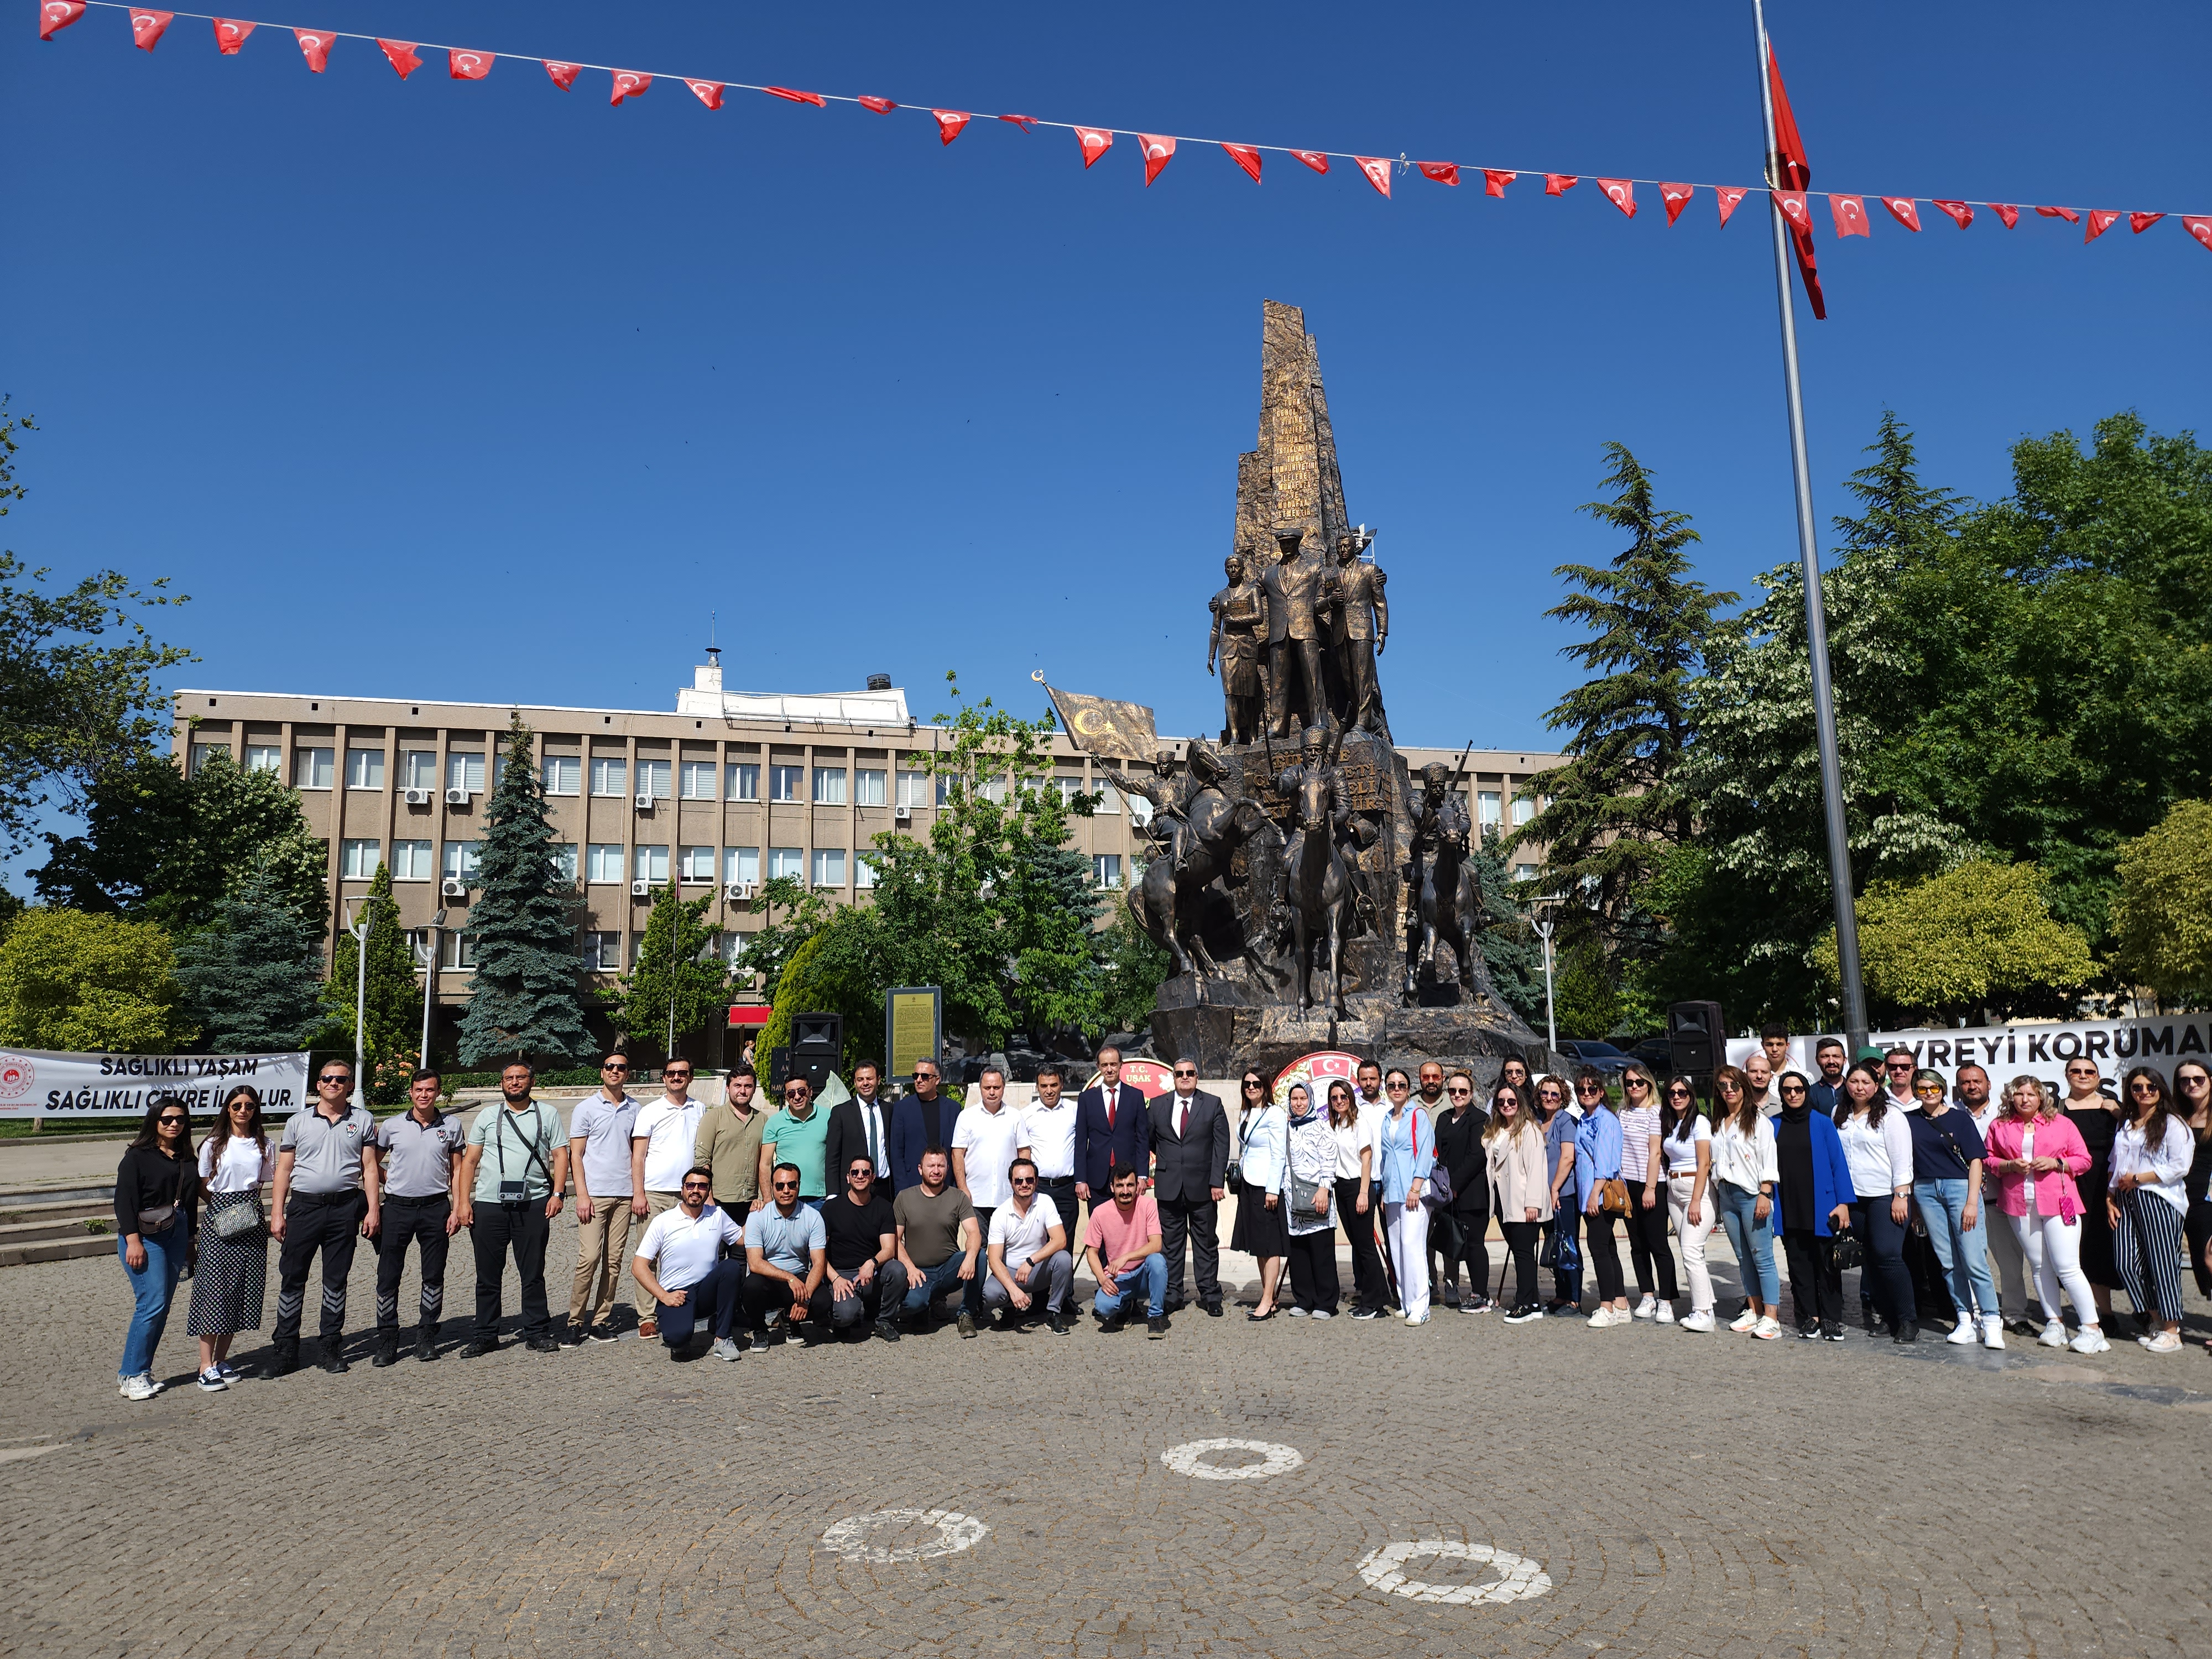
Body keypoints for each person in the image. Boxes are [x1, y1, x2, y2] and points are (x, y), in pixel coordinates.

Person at [263, 1058, 380, 1378]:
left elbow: (370, 1169)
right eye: (328, 1079)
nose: (334, 1084)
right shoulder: (298, 1121)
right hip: (304, 1208)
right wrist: (277, 1213)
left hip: (344, 1210)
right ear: (318, 1084)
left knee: (336, 1280)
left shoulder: (364, 1120)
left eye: (341, 1080)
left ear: (350, 1086)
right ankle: (286, 1349)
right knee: (292, 1278)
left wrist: (373, 1209)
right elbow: (283, 1171)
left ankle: (330, 1345)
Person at [1984, 1074, 2104, 1353]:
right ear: (2011, 1097)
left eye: (2031, 1094)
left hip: (2059, 1202)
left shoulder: (2061, 1123)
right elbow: (1989, 1158)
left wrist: (2057, 1162)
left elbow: (2084, 1159)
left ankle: (2092, 1328)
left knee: (2068, 1266)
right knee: (2038, 1267)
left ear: (2041, 1097)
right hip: (2019, 1203)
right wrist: (2008, 1165)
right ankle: (2055, 1323)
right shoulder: (1999, 1126)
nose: (2025, 1099)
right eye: (2019, 1094)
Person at [458, 1062, 569, 1357]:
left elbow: (560, 1155)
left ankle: (536, 1332)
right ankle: (485, 1334)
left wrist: (558, 1193)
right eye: (509, 1078)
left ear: (532, 1081)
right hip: (489, 1205)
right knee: (487, 1274)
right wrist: (462, 1202)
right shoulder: (487, 1115)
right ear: (502, 1083)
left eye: (521, 1077)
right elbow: (469, 1162)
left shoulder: (547, 1114)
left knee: (532, 1272)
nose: (515, 1082)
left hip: (533, 1203)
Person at [372, 1067, 465, 1365]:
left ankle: (427, 1335)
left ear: (438, 1093)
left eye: (430, 1090)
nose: (424, 1095)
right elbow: (371, 1165)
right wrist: (394, 1179)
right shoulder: (392, 1125)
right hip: (397, 1208)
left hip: (436, 1208)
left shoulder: (451, 1126)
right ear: (411, 1092)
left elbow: (458, 1171)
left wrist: (458, 1207)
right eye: (419, 1090)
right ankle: (388, 1339)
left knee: (433, 1275)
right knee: (388, 1275)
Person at [1906, 1068, 2004, 1348]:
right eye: (1922, 1089)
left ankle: (1991, 1319)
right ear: (1915, 1091)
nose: (1928, 1094)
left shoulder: (1959, 1119)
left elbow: (1976, 1161)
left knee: (1974, 1259)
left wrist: (1972, 1202)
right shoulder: (1908, 1120)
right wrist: (1913, 1205)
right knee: (1948, 1261)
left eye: (1933, 1088)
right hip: (1925, 1189)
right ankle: (1964, 1318)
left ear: (1943, 1090)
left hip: (1959, 1188)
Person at [189, 1086, 276, 1391]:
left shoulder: (266, 1144)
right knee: (214, 1290)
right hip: (219, 1216)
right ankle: (204, 1365)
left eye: (250, 1105)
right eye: (237, 1105)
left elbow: (264, 1183)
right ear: (227, 1108)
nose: (243, 1111)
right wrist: (222, 1210)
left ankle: (222, 1360)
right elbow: (203, 1185)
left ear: (256, 1110)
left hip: (250, 1216)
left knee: (240, 1289)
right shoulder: (213, 1144)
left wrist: (246, 1210)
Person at [114, 1097, 197, 1400]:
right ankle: (130, 1374)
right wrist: (133, 1240)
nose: (174, 1123)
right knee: (151, 1303)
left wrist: (190, 1241)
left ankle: (142, 1370)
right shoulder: (137, 1157)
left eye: (180, 1118)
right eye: (167, 1119)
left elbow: (188, 1202)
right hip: (144, 1235)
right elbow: (124, 1202)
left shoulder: (187, 1156)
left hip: (176, 1233)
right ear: (154, 1122)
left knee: (161, 1307)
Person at [1835, 1060, 1918, 1343]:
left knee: (1888, 1255)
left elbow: (1902, 1160)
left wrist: (1901, 1195)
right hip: (1854, 1198)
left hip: (1885, 1196)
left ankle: (1908, 1319)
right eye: (1854, 1082)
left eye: (1866, 1082)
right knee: (1870, 1259)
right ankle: (1887, 1316)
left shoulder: (1891, 1116)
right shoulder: (1839, 1113)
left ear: (1877, 1085)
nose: (1859, 1087)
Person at [2110, 1067, 2191, 1355]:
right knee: (2126, 1263)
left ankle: (2172, 1331)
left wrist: (2139, 1179)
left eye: (2150, 1087)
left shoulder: (2172, 1123)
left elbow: (2180, 1165)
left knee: (2163, 1264)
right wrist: (2111, 1195)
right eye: (2137, 1088)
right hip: (2126, 1199)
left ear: (2160, 1090)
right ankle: (2155, 1321)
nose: (2144, 1092)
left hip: (2159, 1198)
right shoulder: (2127, 1122)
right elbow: (2115, 1161)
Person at [1771, 1071, 1855, 1342]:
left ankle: (1831, 1319)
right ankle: (1811, 1317)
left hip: (1823, 1207)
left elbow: (1838, 1163)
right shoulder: (1772, 1125)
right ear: (1781, 1094)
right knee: (1798, 1265)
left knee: (1827, 1265)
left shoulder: (1821, 1123)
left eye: (1798, 1089)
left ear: (1806, 1091)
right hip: (1789, 1205)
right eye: (1787, 1090)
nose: (1793, 1094)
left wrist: (1843, 1203)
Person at [565, 1054, 642, 1344]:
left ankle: (600, 1321)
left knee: (614, 1262)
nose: (615, 1071)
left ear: (627, 1074)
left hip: (624, 1195)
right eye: (610, 1067)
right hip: (594, 1195)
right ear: (602, 1073)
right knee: (589, 1259)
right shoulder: (586, 1108)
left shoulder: (635, 1109)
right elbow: (576, 1155)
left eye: (621, 1067)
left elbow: (638, 1154)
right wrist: (581, 1195)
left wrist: (638, 1193)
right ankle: (574, 1321)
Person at [631, 1165, 744, 1361]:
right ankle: (681, 1335)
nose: (696, 1190)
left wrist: (761, 1211)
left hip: (706, 1291)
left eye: (702, 1186)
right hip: (677, 1294)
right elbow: (638, 1266)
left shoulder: (717, 1215)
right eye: (691, 1185)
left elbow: (742, 1239)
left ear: (709, 1191)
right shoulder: (663, 1221)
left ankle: (722, 1338)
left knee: (731, 1267)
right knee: (677, 1340)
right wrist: (664, 1296)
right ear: (683, 1189)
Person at [630, 1057, 706, 1338]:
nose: (677, 1077)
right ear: (664, 1078)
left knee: (682, 1254)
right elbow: (638, 1156)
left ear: (690, 1077)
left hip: (690, 1193)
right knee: (648, 1256)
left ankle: (682, 1306)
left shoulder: (700, 1109)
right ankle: (646, 1316)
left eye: (682, 1073)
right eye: (671, 1073)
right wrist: (639, 1193)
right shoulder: (650, 1111)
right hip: (655, 1191)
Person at [1147, 1059, 1229, 1316]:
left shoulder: (1212, 1104)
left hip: (1203, 1187)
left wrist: (1217, 1181)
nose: (1185, 1077)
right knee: (1171, 1244)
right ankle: (1173, 1294)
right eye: (1180, 1073)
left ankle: (1210, 1294)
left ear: (1197, 1076)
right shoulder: (1159, 1105)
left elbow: (1221, 1145)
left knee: (1205, 1242)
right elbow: (1151, 1140)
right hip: (1169, 1185)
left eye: (1190, 1073)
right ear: (1173, 1077)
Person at [1959, 1062, 2033, 1332]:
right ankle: (1977, 1314)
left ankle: (2015, 1315)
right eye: (1966, 1082)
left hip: (1999, 1200)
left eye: (1977, 1081)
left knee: (2011, 1264)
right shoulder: (1952, 1115)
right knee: (1970, 1262)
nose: (1972, 1086)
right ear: (1959, 1087)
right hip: (1965, 1202)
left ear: (1989, 1085)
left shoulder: (2006, 1119)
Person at [1710, 1065, 1782, 1338]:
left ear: (1744, 1088)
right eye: (1723, 1087)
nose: (1729, 1091)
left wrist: (1765, 1193)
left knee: (1762, 1257)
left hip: (1752, 1194)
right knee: (1743, 1258)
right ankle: (1754, 1310)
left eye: (1734, 1086)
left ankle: (1772, 1316)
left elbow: (1768, 1159)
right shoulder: (1718, 1121)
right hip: (1726, 1193)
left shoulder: (1758, 1120)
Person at [2061, 1058, 2127, 1334]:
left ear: (2099, 1078)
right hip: (2073, 1185)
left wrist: (2121, 1114)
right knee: (2084, 1248)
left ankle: (2146, 1310)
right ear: (2067, 1076)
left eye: (2090, 1072)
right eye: (2076, 1071)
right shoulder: (2057, 1109)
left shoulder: (2113, 1107)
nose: (2083, 1075)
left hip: (2109, 1184)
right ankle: (2103, 1313)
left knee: (2118, 1246)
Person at [814, 1155, 906, 1339]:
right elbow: (818, 1252)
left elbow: (889, 1249)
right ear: (848, 1177)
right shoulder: (831, 1208)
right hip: (841, 1274)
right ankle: (843, 1318)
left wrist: (872, 1263)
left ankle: (883, 1322)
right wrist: (835, 1278)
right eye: (855, 1172)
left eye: (866, 1172)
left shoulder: (884, 1207)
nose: (860, 1176)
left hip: (870, 1273)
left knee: (897, 1270)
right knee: (845, 1315)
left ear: (873, 1177)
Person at [893, 1147, 982, 1334]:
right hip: (918, 1272)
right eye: (931, 1165)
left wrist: (970, 1257)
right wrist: (909, 1267)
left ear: (947, 1169)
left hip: (948, 1268)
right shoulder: (904, 1198)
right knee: (912, 1305)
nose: (936, 1170)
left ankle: (966, 1314)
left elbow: (974, 1232)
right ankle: (924, 1305)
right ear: (920, 1169)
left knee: (979, 1256)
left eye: (940, 1165)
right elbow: (895, 1239)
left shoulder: (958, 1197)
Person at [981, 1158, 1074, 1332]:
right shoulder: (1000, 1214)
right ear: (1011, 1183)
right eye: (1019, 1180)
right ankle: (1010, 1307)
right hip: (1010, 1272)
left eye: (1030, 1180)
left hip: (1037, 1270)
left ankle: (1053, 1313)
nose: (1024, 1184)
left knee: (1064, 1259)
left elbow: (1061, 1240)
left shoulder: (1045, 1202)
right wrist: (1013, 1290)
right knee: (990, 1294)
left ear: (1037, 1182)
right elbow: (994, 1260)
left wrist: (1031, 1261)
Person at [742, 1161, 829, 1345]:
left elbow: (819, 1263)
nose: (786, 1190)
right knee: (751, 1287)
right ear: (773, 1188)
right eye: (780, 1186)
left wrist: (805, 1299)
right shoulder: (757, 1217)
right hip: (768, 1279)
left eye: (792, 1185)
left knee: (823, 1301)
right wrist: (789, 1278)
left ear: (799, 1186)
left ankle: (791, 1319)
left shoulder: (813, 1217)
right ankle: (759, 1329)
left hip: (798, 1278)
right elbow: (755, 1264)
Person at [1486, 1083, 1552, 1323]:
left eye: (1511, 1101)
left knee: (1523, 1254)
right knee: (1519, 1252)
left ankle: (1524, 1303)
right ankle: (1533, 1301)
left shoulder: (1530, 1131)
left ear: (1520, 1104)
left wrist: (1533, 1203)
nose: (1506, 1105)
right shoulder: (1497, 1129)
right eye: (1501, 1101)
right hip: (1504, 1201)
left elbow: (1537, 1170)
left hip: (1523, 1200)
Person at [1616, 1063, 1676, 1322]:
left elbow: (1655, 1151)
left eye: (1640, 1082)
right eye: (1630, 1083)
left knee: (1658, 1243)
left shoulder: (1656, 1112)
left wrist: (1650, 1188)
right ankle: (1648, 1295)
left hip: (1652, 1182)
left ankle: (1667, 1300)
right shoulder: (1622, 1112)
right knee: (1637, 1244)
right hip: (1628, 1182)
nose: (1635, 1087)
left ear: (1649, 1084)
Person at [1571, 1072, 1631, 1328]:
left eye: (1592, 1088)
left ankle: (1606, 1304)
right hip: (1588, 1191)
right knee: (1607, 1247)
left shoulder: (1606, 1120)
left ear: (1601, 1091)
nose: (1587, 1093)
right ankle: (1620, 1302)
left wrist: (1594, 1194)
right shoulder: (1585, 1119)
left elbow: (1606, 1162)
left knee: (1598, 1247)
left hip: (1600, 1191)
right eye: (1581, 1090)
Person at [1378, 1068, 1436, 1324]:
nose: (1397, 1088)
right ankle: (1406, 1301)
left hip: (1414, 1191)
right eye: (1392, 1085)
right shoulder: (1386, 1118)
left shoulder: (1418, 1116)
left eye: (1401, 1084)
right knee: (1398, 1249)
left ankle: (1421, 1305)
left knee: (1413, 1247)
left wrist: (1416, 1186)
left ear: (1409, 1087)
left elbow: (1426, 1152)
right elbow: (1385, 1158)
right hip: (1392, 1192)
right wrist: (1383, 1190)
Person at [1659, 1074, 1716, 1332]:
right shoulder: (1671, 1123)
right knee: (1691, 1252)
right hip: (1674, 1189)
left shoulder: (1700, 1122)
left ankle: (1701, 1312)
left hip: (1697, 1191)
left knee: (1692, 1250)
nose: (1677, 1097)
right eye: (1672, 1093)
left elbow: (1704, 1162)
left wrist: (1695, 1200)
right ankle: (1707, 1308)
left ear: (1691, 1095)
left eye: (1682, 1093)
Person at [1326, 1078, 1386, 1319]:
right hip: (1341, 1188)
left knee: (1366, 1247)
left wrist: (1364, 1192)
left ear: (1350, 1098)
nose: (1339, 1101)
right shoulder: (1336, 1123)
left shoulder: (1359, 1122)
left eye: (1343, 1097)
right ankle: (1377, 1296)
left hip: (1358, 1187)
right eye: (1334, 1098)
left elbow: (1367, 1159)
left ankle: (1374, 1304)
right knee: (1359, 1246)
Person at [1083, 1166, 1169, 1336]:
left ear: (1137, 1186)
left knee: (1157, 1261)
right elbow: (1091, 1252)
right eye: (1120, 1186)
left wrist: (1126, 1257)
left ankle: (1155, 1317)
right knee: (1104, 1308)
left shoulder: (1148, 1205)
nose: (1125, 1191)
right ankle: (1124, 1305)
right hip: (1118, 1277)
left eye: (1130, 1185)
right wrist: (1102, 1279)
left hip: (1144, 1274)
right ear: (1112, 1187)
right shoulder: (1100, 1213)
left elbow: (1156, 1244)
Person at [1230, 1072, 1289, 1319]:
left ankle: (1267, 1300)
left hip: (1266, 1185)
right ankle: (1269, 1295)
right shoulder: (1245, 1113)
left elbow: (1279, 1153)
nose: (1252, 1088)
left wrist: (1272, 1188)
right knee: (1257, 1244)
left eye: (1257, 1084)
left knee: (1269, 1243)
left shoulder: (1274, 1114)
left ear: (1266, 1087)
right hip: (1248, 1183)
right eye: (1247, 1084)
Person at [1434, 1068, 1491, 1312]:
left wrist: (1454, 1186)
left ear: (1471, 1093)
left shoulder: (1478, 1118)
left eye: (1463, 1091)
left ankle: (1481, 1295)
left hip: (1472, 1193)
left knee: (1475, 1244)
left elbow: (1476, 1155)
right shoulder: (1444, 1117)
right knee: (1454, 1243)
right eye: (1453, 1091)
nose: (1458, 1095)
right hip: (1448, 1194)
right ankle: (1456, 1288)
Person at [1282, 1084, 1340, 1317]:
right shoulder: (1285, 1128)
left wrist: (1325, 1189)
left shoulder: (1321, 1128)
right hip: (1291, 1199)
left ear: (1311, 1100)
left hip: (1317, 1196)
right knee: (1299, 1251)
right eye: (1294, 1099)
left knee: (1321, 1251)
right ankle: (1304, 1298)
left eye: (1303, 1098)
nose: (1298, 1103)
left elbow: (1329, 1160)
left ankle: (1326, 1302)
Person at [1074, 1047, 1150, 1214]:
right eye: (1105, 1065)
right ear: (1098, 1067)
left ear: (1121, 1065)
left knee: (1128, 1230)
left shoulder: (1136, 1096)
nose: (1109, 1069)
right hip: (1097, 1180)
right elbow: (1080, 1142)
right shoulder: (1087, 1098)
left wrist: (1143, 1176)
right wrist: (1080, 1179)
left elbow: (1143, 1140)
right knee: (1100, 1232)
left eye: (1114, 1064)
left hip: (1128, 1179)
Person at [1018, 1064, 1082, 1251]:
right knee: (1039, 1242)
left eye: (1053, 1085)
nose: (1049, 1091)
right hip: (1040, 1188)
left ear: (1061, 1085)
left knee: (1066, 1243)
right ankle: (1041, 1281)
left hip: (1067, 1189)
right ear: (1037, 1086)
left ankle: (1064, 1281)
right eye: (1044, 1086)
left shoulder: (1075, 1110)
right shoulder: (1026, 1115)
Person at [692, 1063, 766, 1224]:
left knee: (744, 1249)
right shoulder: (713, 1118)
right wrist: (708, 1198)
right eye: (737, 1085)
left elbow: (766, 1162)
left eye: (748, 1086)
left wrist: (763, 1197)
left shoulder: (762, 1119)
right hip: (719, 1201)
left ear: (754, 1089)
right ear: (727, 1088)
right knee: (716, 1250)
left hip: (750, 1202)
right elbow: (703, 1159)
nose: (743, 1091)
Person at [2177, 1060, 2212, 1344]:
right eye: (2185, 1080)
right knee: (2202, 1266)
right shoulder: (2179, 1117)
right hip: (2182, 1200)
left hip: (2210, 1200)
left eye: (2198, 1079)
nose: (2192, 1085)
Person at [760, 1074, 833, 1211]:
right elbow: (765, 1164)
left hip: (821, 1198)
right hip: (786, 1196)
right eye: (791, 1093)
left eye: (802, 1091)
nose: (797, 1097)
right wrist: (768, 1199)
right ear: (786, 1096)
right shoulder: (774, 1123)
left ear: (810, 1092)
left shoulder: (829, 1117)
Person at [890, 1057, 963, 1192]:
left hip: (946, 1186)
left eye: (925, 1076)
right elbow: (897, 1153)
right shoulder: (902, 1109)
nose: (919, 1080)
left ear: (937, 1079)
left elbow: (958, 1150)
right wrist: (902, 1190)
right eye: (915, 1076)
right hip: (913, 1186)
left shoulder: (953, 1109)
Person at [825, 1060, 894, 1192]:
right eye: (860, 1079)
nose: (865, 1083)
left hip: (885, 1188)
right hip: (853, 1188)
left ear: (878, 1080)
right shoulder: (841, 1113)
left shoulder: (889, 1110)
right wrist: (833, 1193)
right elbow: (832, 1158)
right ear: (855, 1083)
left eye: (870, 1078)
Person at [1807, 1038, 1849, 1115]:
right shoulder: (1811, 1093)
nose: (1831, 1061)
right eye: (1825, 1057)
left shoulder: (1854, 1089)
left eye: (1836, 1056)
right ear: (1817, 1060)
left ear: (1845, 1060)